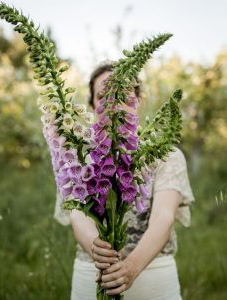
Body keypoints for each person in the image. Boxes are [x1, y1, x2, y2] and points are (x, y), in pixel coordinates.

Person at [54, 62, 195, 300]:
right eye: (102, 96)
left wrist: (130, 269)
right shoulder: (78, 154)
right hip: (92, 275)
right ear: (91, 105)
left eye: (121, 96)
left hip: (154, 280)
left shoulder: (166, 154)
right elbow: (77, 212)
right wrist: (97, 250)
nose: (111, 103)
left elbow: (164, 218)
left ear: (136, 101)